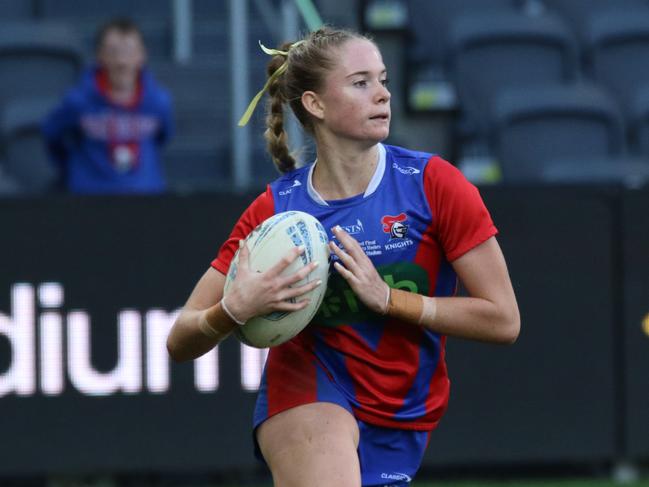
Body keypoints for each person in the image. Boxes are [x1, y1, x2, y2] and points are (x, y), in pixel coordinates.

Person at [167, 27, 520, 487]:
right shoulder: (275, 211)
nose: (383, 95)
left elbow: (503, 320)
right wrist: (233, 309)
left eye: (384, 80)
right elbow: (179, 340)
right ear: (315, 104)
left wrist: (391, 300)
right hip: (306, 391)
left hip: (403, 411)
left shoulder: (434, 184)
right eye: (361, 83)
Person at [42, 17, 173, 194]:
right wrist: (75, 170)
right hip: (90, 199)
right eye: (113, 52)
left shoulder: (159, 102)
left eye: (129, 51)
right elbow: (52, 135)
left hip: (146, 198)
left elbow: (163, 138)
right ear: (100, 56)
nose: (121, 62)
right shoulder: (77, 102)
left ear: (142, 55)